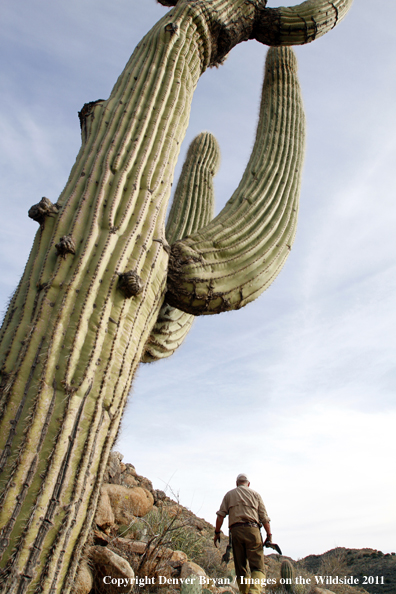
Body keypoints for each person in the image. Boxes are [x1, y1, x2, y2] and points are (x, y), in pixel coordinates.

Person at [214, 473, 272, 594]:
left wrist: (217, 532)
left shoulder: (229, 495)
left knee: (241, 569)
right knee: (258, 568)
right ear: (248, 484)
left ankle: (244, 592)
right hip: (253, 531)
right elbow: (264, 518)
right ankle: (254, 591)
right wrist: (269, 535)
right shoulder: (256, 495)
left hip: (236, 532)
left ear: (237, 483)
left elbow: (220, 516)